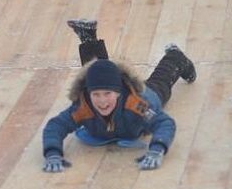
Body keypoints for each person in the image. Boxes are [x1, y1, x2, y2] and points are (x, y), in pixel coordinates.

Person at [42, 19, 196, 172]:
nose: (102, 101)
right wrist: (52, 153)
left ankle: (175, 57)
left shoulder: (136, 103)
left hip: (147, 93)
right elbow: (56, 126)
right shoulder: (83, 106)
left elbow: (163, 123)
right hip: (106, 90)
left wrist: (157, 149)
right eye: (96, 94)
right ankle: (89, 39)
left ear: (118, 92)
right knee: (97, 71)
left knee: (161, 81)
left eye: (107, 94)